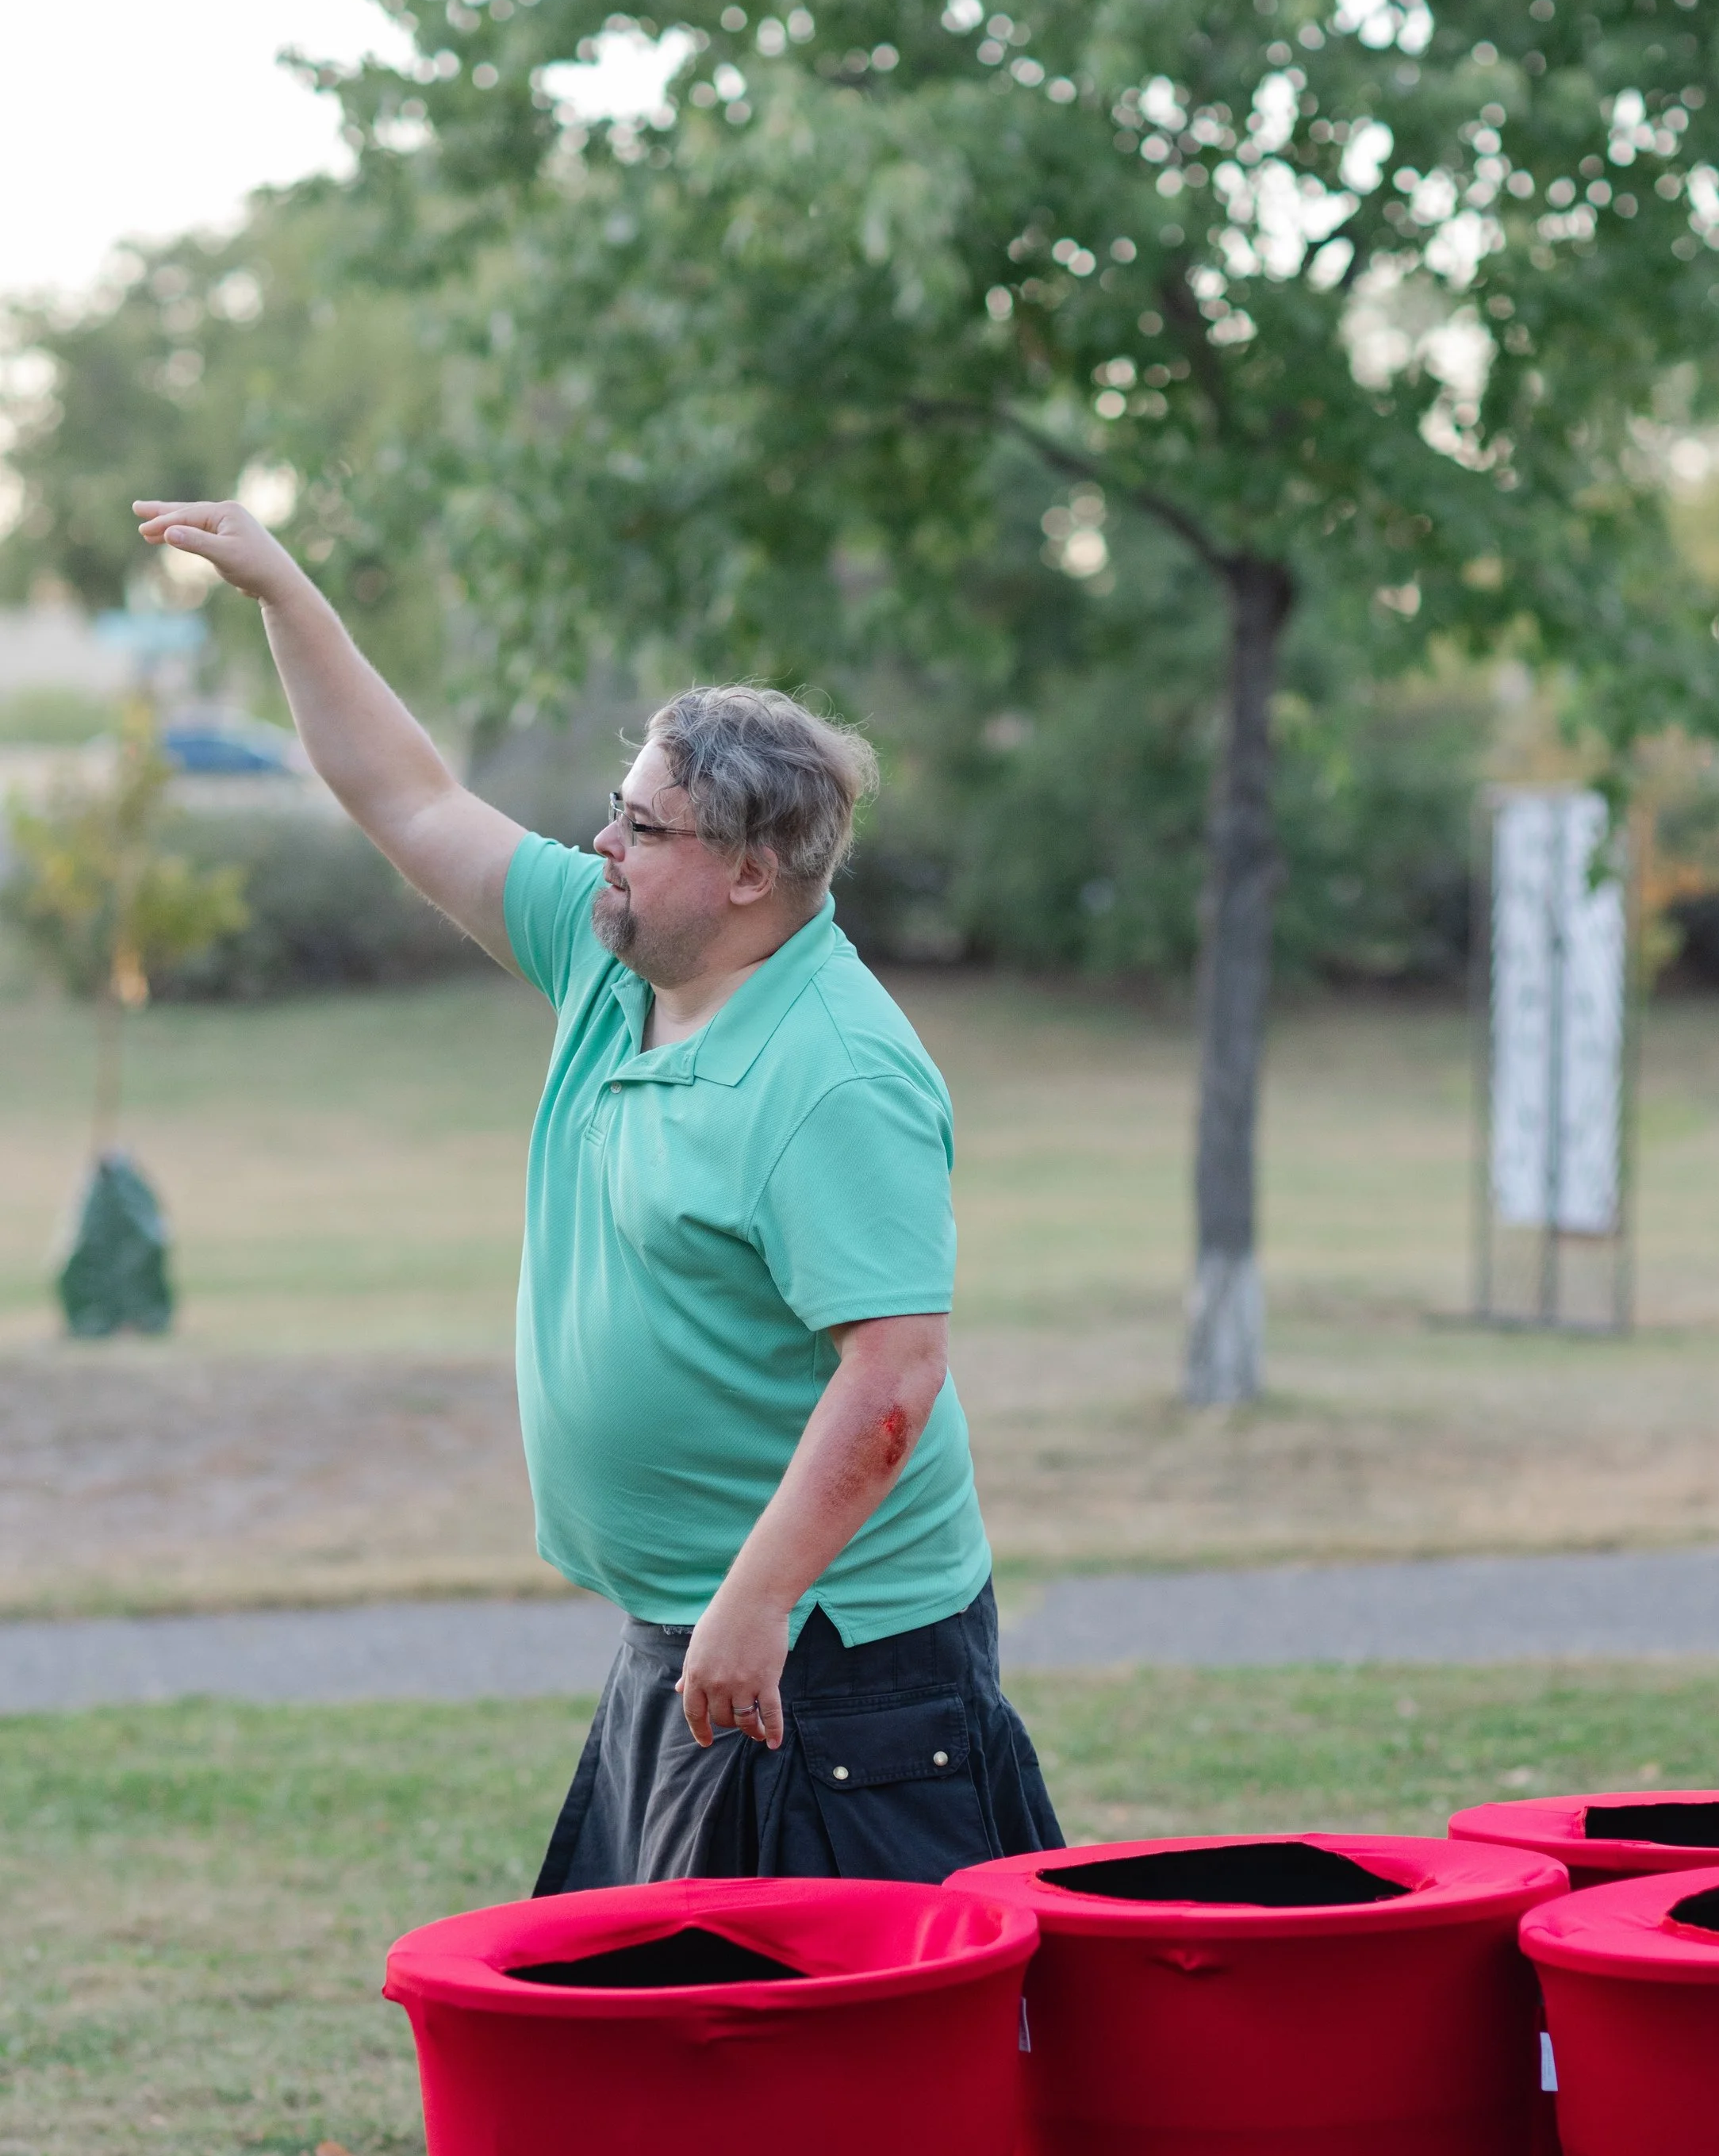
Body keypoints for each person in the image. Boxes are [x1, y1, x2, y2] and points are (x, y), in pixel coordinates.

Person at [132, 497, 1062, 1888]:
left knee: (813, 2067)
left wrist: (760, 1600)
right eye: (616, 814)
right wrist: (283, 593)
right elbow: (409, 798)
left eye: (644, 823)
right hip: (696, 1626)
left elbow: (895, 1379)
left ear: (750, 872)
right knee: (672, 2052)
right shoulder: (606, 955)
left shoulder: (836, 1074)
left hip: (841, 1660)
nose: (604, 843)